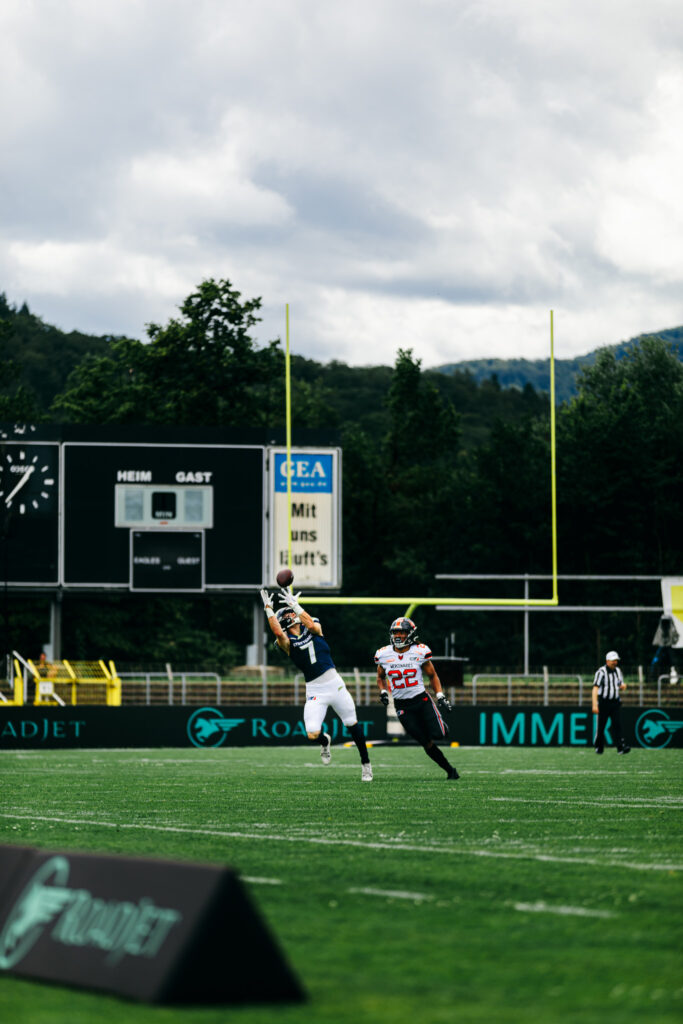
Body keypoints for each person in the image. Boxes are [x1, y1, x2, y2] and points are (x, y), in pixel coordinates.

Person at [260, 587, 373, 781]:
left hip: (335, 684)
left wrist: (295, 605)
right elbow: (278, 633)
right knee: (312, 733)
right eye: (288, 612)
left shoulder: (312, 627)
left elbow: (312, 625)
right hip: (315, 690)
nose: (290, 613)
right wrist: (269, 609)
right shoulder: (286, 642)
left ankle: (366, 764)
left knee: (352, 724)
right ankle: (325, 741)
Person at [375, 617, 459, 780]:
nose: (398, 636)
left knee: (440, 734)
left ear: (410, 634)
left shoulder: (420, 651)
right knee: (425, 742)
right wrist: (383, 692)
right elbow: (380, 676)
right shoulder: (383, 654)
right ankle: (450, 770)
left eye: (402, 632)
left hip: (421, 700)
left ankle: (440, 726)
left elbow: (432, 675)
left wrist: (440, 695)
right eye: (395, 632)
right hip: (401, 706)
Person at [592, 650, 631, 755]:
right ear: (607, 661)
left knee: (617, 724)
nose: (615, 662)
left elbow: (620, 684)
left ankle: (621, 747)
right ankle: (599, 746)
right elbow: (595, 688)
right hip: (604, 703)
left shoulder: (618, 671)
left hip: (615, 703)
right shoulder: (601, 672)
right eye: (613, 660)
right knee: (601, 727)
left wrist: (623, 686)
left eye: (616, 660)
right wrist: (595, 704)